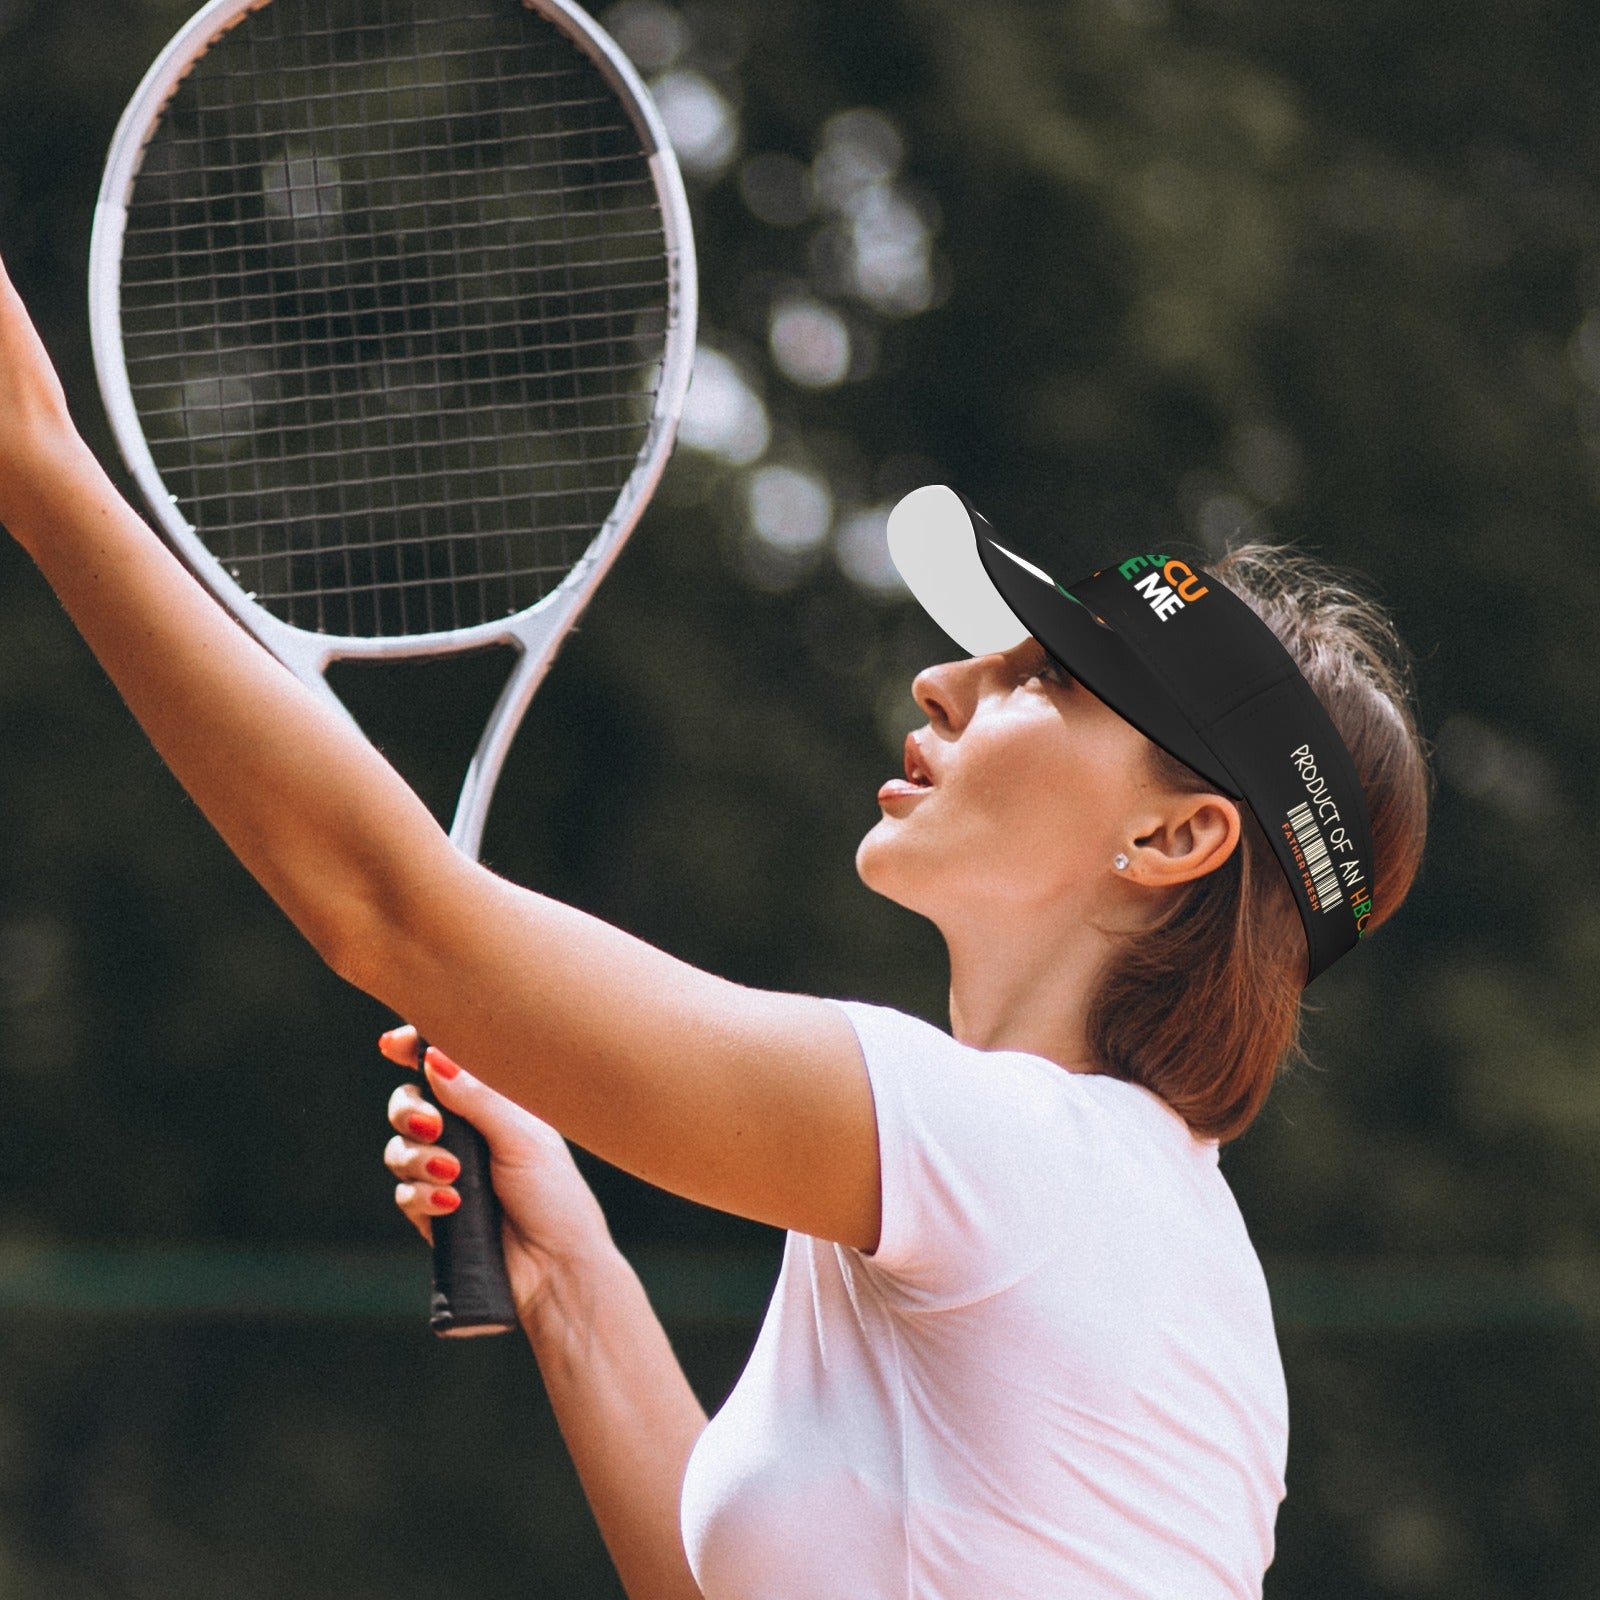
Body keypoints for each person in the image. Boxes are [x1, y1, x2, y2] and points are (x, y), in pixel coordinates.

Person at [0, 249, 1429, 1599]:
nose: (939, 681)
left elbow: (388, 910)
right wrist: (572, 1282)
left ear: (1175, 838)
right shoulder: (1092, 1208)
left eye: (1038, 682)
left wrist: (43, 467)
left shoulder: (1008, 1160)